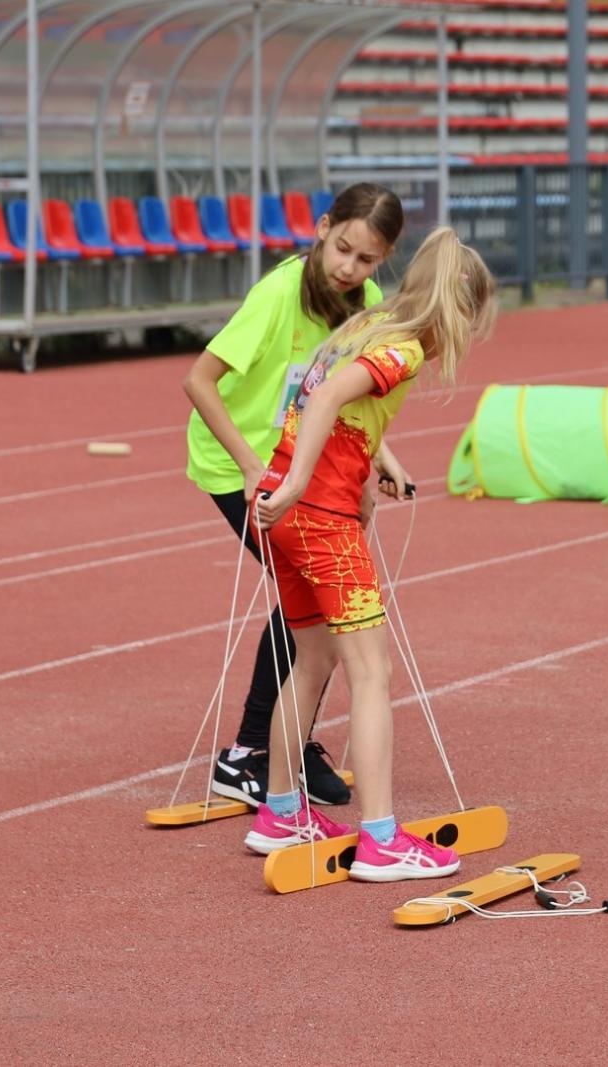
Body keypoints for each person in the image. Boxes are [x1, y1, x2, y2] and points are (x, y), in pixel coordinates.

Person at [244, 227, 497, 881]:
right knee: (371, 673)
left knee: (312, 658)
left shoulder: (364, 327)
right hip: (318, 517)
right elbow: (328, 398)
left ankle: (280, 811)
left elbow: (328, 408)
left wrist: (354, 476)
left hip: (293, 513)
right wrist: (304, 483)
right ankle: (382, 838)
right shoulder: (402, 349)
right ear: (456, 310)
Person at [182, 182, 411, 810]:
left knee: (313, 607)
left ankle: (286, 740)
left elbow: (346, 395)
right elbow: (198, 381)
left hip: (305, 469)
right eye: (343, 249)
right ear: (322, 227)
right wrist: (251, 466)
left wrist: (379, 460)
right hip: (241, 464)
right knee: (312, 605)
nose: (349, 268)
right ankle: (252, 752)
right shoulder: (279, 295)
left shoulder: (366, 302)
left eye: (367, 260)